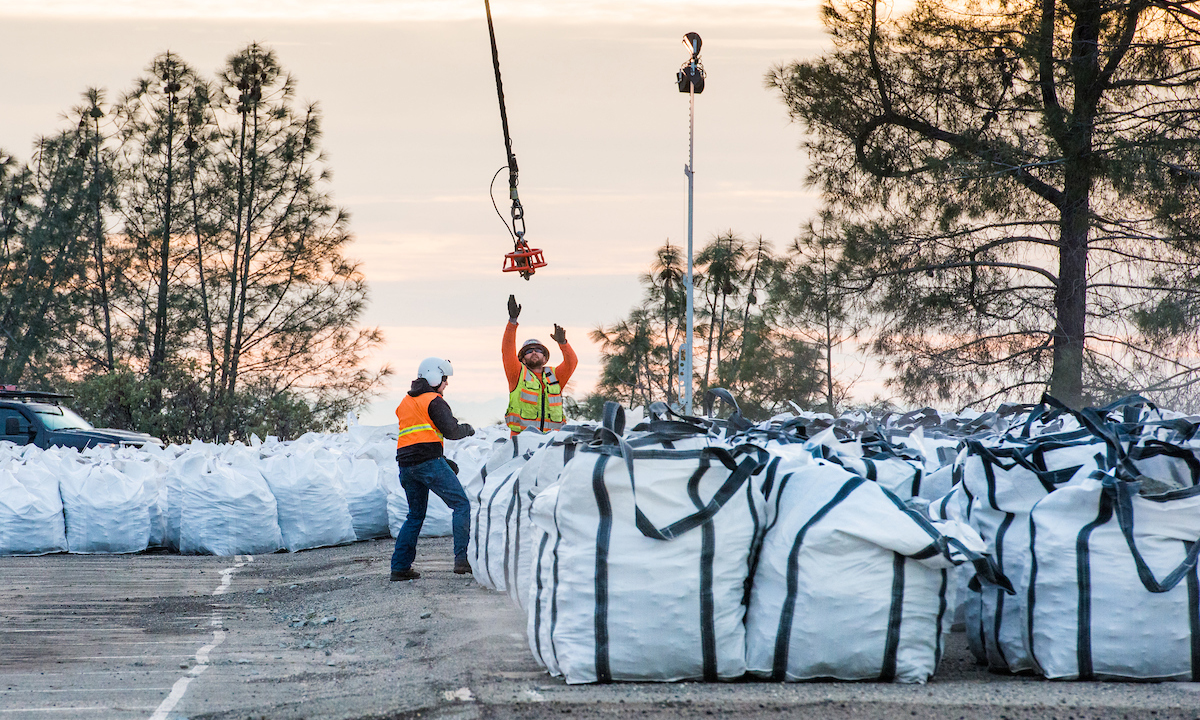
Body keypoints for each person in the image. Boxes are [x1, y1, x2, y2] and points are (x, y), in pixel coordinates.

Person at [390, 357, 475, 581]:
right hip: (428, 463)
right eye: (445, 379)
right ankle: (462, 560)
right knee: (461, 504)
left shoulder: (405, 402)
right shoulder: (434, 400)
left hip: (407, 466)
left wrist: (442, 460)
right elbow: (451, 431)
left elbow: (418, 437)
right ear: (434, 376)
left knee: (415, 515)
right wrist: (468, 429)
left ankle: (399, 567)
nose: (446, 384)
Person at [502, 294, 577, 436]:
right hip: (522, 442)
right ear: (522, 359)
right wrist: (512, 322)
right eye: (529, 351)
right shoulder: (516, 374)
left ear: (545, 358)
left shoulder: (555, 376)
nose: (534, 352)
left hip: (551, 443)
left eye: (538, 350)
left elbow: (572, 362)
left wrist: (563, 344)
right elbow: (507, 350)